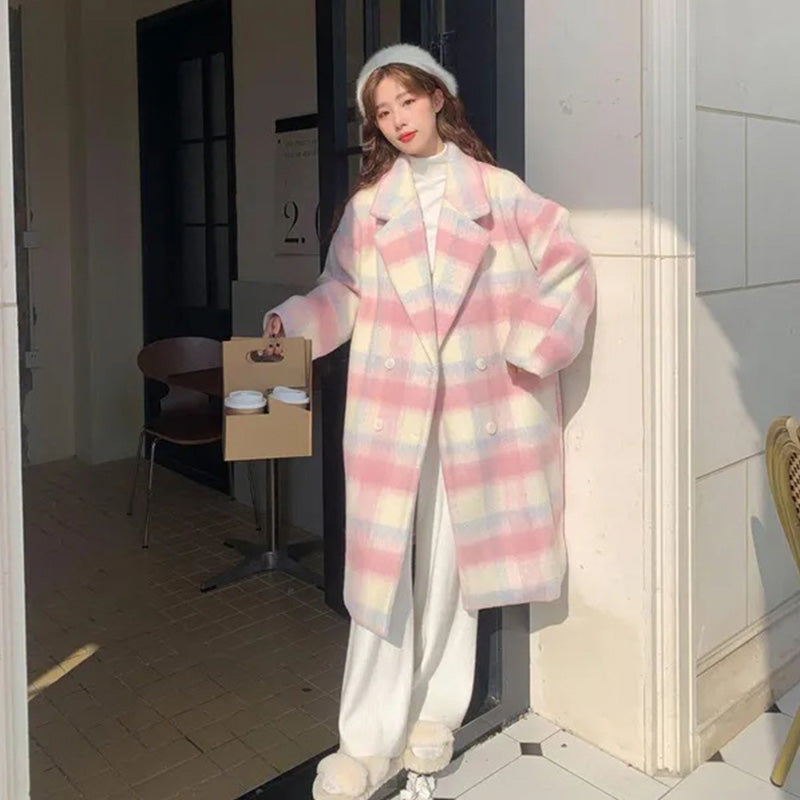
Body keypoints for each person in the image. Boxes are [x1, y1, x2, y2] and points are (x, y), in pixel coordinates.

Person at [263, 43, 595, 800]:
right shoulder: (369, 208)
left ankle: (435, 714)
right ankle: (363, 740)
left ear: (438, 97)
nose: (398, 119)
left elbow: (569, 263)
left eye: (408, 101)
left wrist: (530, 346)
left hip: (478, 414)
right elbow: (343, 291)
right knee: (381, 576)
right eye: (383, 111)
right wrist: (295, 323)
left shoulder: (498, 192)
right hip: (392, 412)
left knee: (452, 568)